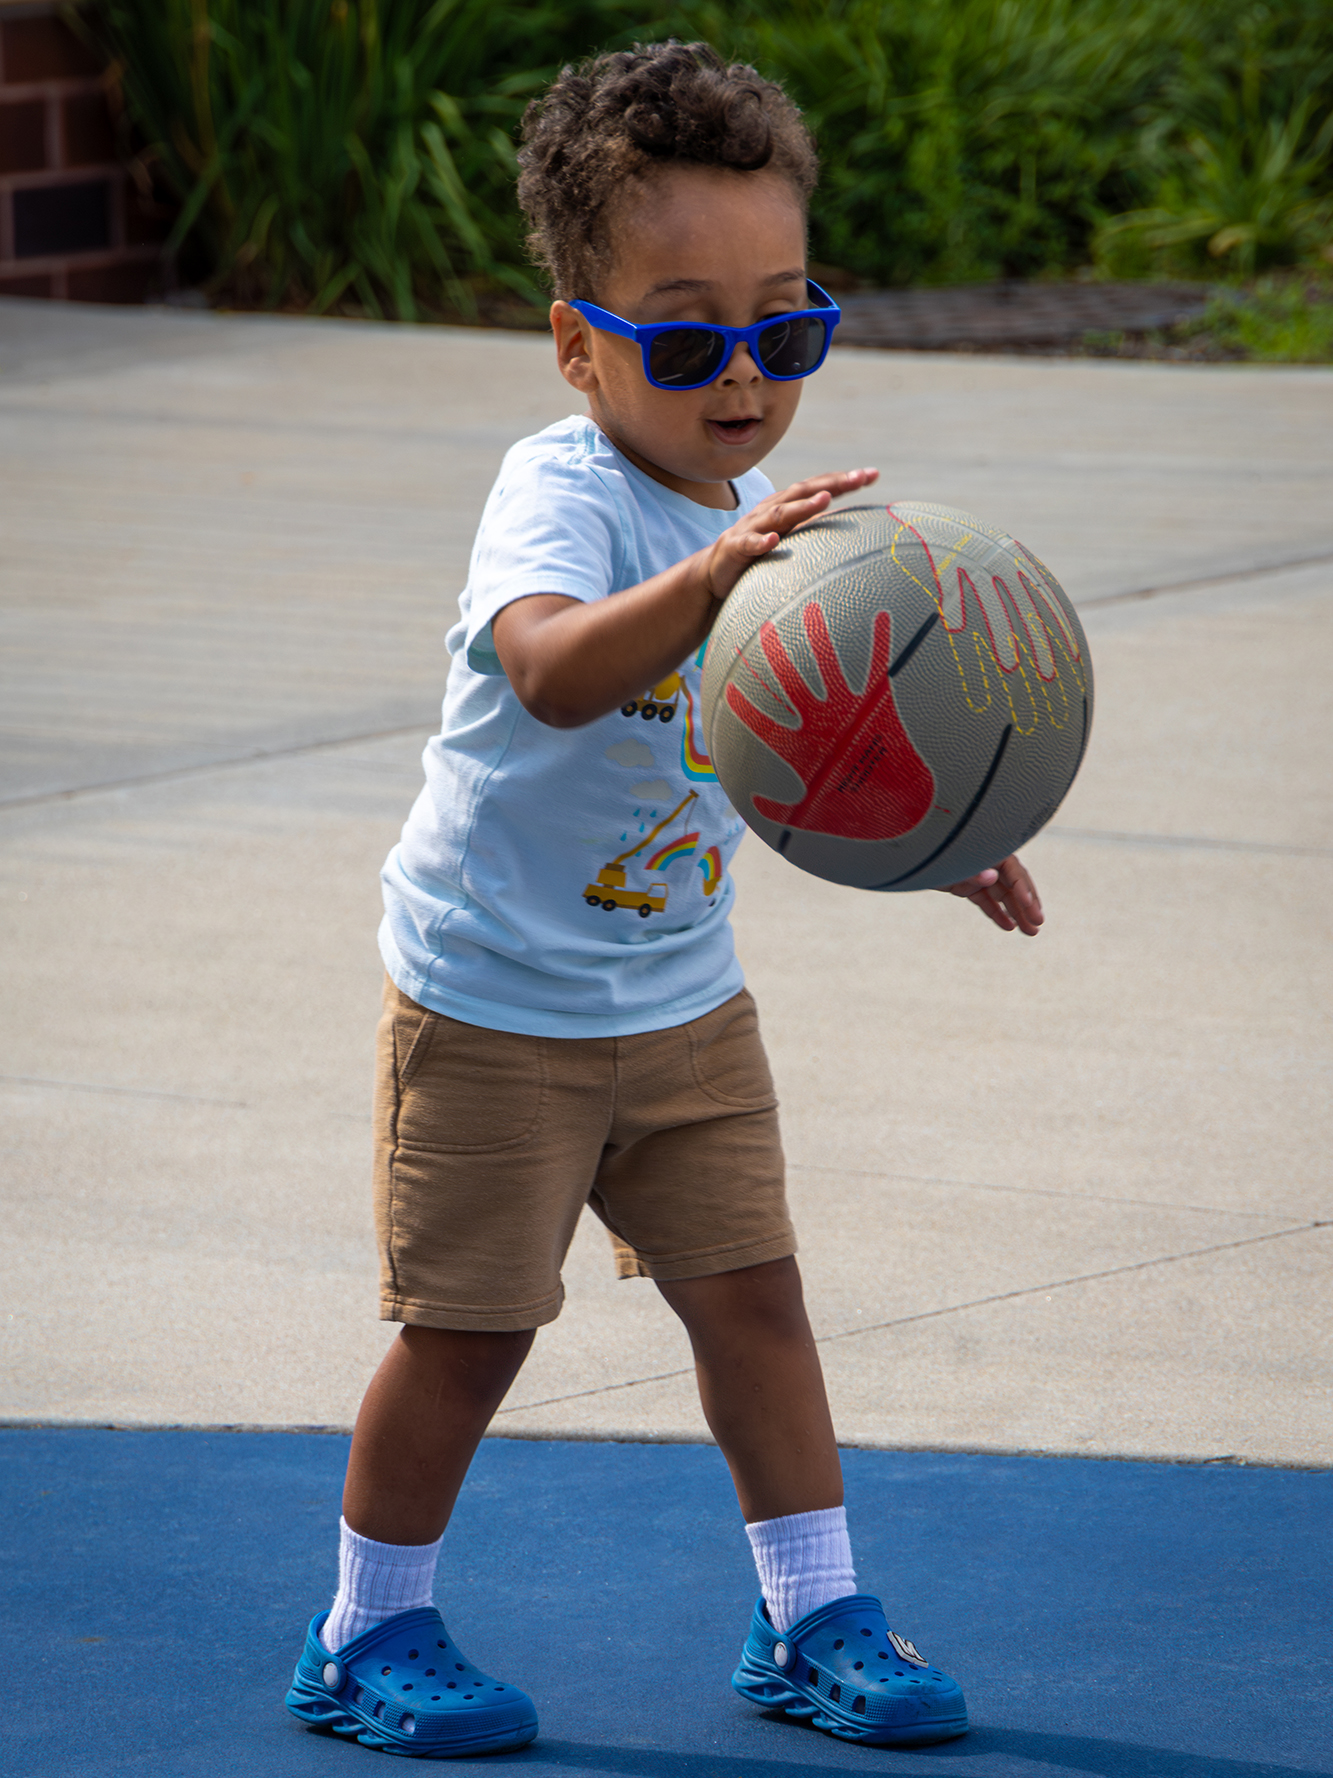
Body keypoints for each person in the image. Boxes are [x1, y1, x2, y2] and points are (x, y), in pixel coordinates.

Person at [285, 40, 1043, 1758]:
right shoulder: (561, 495)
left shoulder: (760, 522)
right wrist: (707, 580)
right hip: (494, 1008)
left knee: (754, 1297)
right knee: (468, 1335)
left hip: (683, 1001)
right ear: (577, 343)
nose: (743, 380)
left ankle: (811, 1614)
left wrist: (931, 825)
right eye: (689, 336)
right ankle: (363, 1632)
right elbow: (552, 672)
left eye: (785, 330)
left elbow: (784, 752)